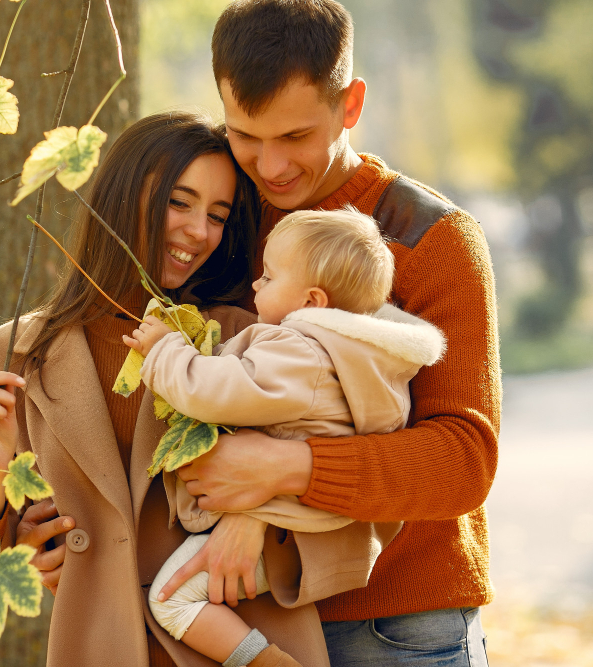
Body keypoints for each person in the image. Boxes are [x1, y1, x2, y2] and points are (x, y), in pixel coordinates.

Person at [151, 2, 502, 666]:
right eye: (245, 135)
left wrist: (284, 472)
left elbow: (463, 458)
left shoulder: (432, 238)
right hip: (242, 615)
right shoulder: (218, 219)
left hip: (396, 623)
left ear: (351, 104)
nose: (271, 164)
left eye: (296, 135)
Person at [0, 111, 347, 667]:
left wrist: (260, 524)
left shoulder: (246, 337)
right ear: (123, 195)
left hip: (249, 645)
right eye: (179, 203)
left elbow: (340, 470)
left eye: (218, 215)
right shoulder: (16, 352)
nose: (199, 232)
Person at [124, 207, 446, 667]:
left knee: (171, 601)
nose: (256, 285)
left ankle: (266, 663)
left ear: (312, 302)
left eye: (269, 278)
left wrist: (164, 351)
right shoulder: (358, 356)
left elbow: (216, 392)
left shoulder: (302, 352)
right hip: (305, 522)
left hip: (282, 523)